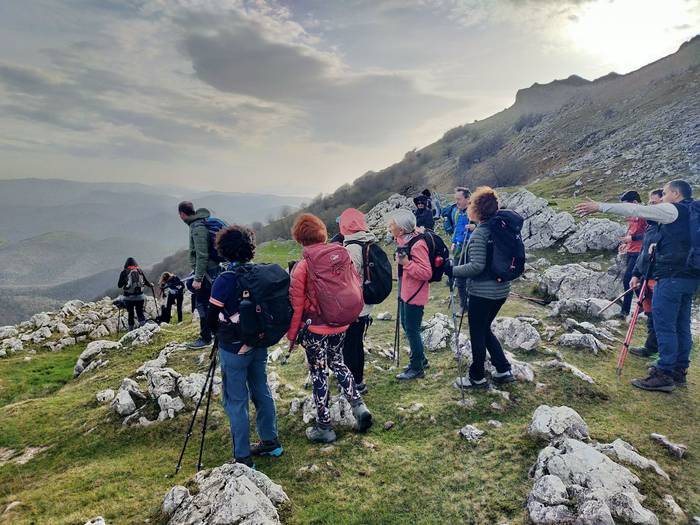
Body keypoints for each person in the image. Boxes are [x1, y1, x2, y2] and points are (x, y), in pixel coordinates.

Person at [576, 180, 699, 392]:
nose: (663, 198)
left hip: (670, 276)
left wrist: (600, 206)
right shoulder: (692, 213)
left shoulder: (673, 210)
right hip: (689, 277)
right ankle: (679, 370)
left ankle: (664, 373)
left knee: (665, 324)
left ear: (676, 194)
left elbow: (636, 209)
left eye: (666, 193)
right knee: (681, 325)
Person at [287, 213, 372, 443]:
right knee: (338, 362)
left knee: (319, 373)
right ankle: (359, 406)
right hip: (340, 323)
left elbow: (296, 307)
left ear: (299, 239)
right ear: (322, 233)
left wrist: (292, 337)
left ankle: (324, 426)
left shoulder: (303, 266)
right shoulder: (339, 255)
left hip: (315, 328)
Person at [207, 225, 282, 467]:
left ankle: (242, 457)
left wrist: (216, 331)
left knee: (236, 401)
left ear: (224, 251)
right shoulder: (258, 273)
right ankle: (270, 442)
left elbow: (211, 316)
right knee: (261, 389)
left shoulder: (225, 279)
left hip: (235, 349)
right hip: (259, 343)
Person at [445, 187, 515, 389]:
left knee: (477, 332)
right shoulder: (500, 229)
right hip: (501, 291)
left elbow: (476, 266)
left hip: (482, 293)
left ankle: (476, 377)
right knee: (484, 328)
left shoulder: (480, 234)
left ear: (476, 209)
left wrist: (452, 270)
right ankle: (502, 368)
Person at [390, 209, 433, 380]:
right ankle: (421, 360)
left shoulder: (417, 244)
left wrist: (406, 263)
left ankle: (417, 368)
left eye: (392, 224)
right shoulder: (405, 239)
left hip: (415, 295)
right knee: (407, 327)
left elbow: (426, 273)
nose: (389, 226)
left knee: (412, 330)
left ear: (401, 229)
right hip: (406, 293)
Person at [340, 208, 376, 395]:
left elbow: (347, 278)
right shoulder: (365, 241)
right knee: (356, 343)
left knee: (351, 345)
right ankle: (357, 380)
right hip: (363, 304)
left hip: (355, 306)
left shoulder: (352, 248)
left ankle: (355, 383)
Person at [178, 201, 221, 349]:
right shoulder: (199, 223)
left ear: (182, 214)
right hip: (210, 270)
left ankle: (206, 337)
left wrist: (198, 278)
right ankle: (214, 333)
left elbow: (202, 255)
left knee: (203, 304)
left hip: (207, 272)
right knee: (210, 303)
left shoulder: (197, 227)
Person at [629, 189, 663, 358]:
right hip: (645, 276)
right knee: (650, 313)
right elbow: (643, 252)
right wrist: (635, 274)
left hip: (659, 278)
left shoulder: (667, 229)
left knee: (660, 315)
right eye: (650, 203)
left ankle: (660, 351)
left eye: (654, 203)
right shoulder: (651, 227)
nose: (650, 206)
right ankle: (650, 348)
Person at [618, 191, 647, 318]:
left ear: (635, 202)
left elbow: (648, 234)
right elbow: (631, 230)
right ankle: (644, 306)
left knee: (628, 280)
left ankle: (625, 312)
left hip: (639, 252)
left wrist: (632, 238)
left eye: (627, 205)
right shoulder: (632, 215)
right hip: (631, 250)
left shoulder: (644, 215)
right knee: (632, 281)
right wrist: (626, 243)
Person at [447, 187, 473, 313]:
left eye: (459, 199)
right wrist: (453, 242)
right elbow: (456, 229)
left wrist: (475, 226)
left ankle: (472, 304)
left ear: (468, 199)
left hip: (471, 248)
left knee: (470, 278)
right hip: (458, 249)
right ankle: (464, 306)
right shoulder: (456, 212)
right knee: (459, 277)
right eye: (456, 199)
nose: (456, 202)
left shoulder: (475, 211)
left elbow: (486, 226)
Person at [117, 257, 153, 331]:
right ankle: (145, 330)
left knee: (131, 314)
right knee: (140, 312)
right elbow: (146, 282)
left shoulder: (124, 272)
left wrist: (125, 283)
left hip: (128, 297)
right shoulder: (139, 271)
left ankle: (131, 331)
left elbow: (119, 285)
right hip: (140, 297)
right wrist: (151, 285)